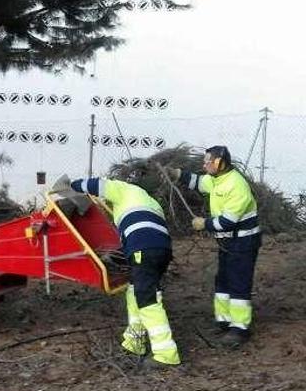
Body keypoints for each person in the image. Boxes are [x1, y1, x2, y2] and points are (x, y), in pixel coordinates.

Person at [62, 174, 181, 369]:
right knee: (135, 291)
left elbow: (98, 185)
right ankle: (134, 341)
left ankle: (166, 353)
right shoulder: (150, 202)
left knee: (147, 299)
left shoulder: (126, 190)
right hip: (162, 250)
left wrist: (72, 185)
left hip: (143, 248)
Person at [166, 146, 261, 348]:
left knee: (238, 282)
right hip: (228, 241)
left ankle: (239, 329)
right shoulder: (217, 180)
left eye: (208, 162)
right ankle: (224, 321)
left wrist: (204, 224)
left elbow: (228, 222)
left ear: (220, 163)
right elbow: (199, 183)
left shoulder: (237, 185)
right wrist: (177, 175)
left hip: (242, 241)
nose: (204, 165)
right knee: (223, 280)